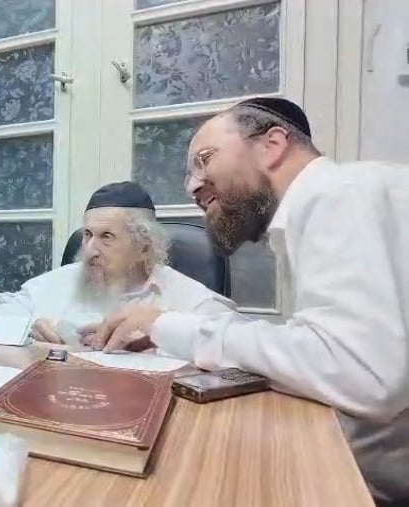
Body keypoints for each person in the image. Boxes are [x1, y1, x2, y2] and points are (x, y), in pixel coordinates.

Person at [90, 97, 409, 505]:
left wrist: (164, 325)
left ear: (273, 144)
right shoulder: (332, 206)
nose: (192, 186)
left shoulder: (337, 194)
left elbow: (361, 372)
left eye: (205, 159)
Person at [0, 181, 235, 347]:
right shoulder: (63, 280)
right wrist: (28, 328)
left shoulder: (186, 295)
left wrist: (161, 338)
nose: (89, 249)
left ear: (144, 247)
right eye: (87, 234)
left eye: (106, 237)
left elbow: (234, 341)